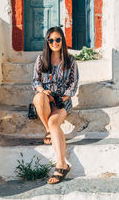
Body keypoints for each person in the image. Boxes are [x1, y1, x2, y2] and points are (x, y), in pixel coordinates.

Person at [32, 26, 79, 184]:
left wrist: (61, 99)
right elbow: (36, 81)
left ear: (62, 41)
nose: (54, 42)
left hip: (62, 101)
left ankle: (62, 165)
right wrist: (43, 91)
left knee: (54, 122)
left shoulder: (70, 61)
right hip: (46, 99)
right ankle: (47, 131)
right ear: (47, 42)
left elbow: (73, 85)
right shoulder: (41, 59)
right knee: (39, 97)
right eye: (51, 40)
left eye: (58, 39)